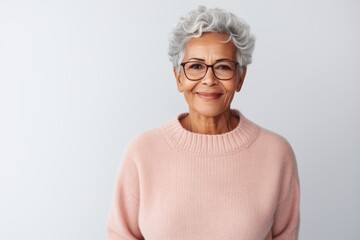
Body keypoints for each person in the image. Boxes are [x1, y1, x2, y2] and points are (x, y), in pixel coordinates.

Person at [107, 5, 300, 240]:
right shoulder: (142, 151)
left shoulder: (276, 153)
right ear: (178, 77)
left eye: (223, 67)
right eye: (196, 66)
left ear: (240, 77)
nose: (209, 79)